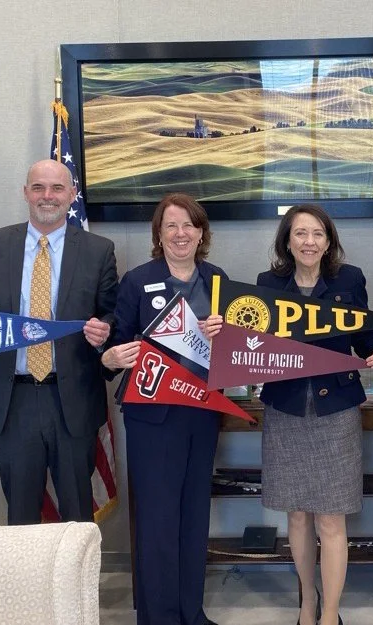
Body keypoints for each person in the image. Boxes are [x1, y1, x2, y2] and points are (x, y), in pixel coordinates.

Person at [0, 159, 118, 524]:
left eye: (57, 188)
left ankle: (77, 583)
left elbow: (112, 314)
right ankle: (26, 583)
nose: (48, 196)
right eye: (39, 187)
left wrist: (104, 330)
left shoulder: (98, 250)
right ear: (25, 193)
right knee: (22, 516)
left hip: (72, 400)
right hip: (13, 402)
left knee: (77, 516)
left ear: (72, 195)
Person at [255, 204, 373, 625]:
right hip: (286, 409)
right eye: (300, 234)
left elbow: (364, 335)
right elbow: (255, 342)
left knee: (331, 517)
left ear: (329, 241)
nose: (309, 242)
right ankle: (307, 601)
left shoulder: (348, 280)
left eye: (317, 234)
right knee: (297, 512)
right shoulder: (267, 283)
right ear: (287, 241)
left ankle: (330, 613)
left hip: (336, 412)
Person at [101, 192, 225, 625]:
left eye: (189, 225)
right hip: (152, 417)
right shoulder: (138, 280)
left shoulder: (217, 280)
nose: (180, 233)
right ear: (159, 233)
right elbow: (117, 341)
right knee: (156, 520)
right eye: (171, 225)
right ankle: (159, 616)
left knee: (194, 515)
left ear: (201, 233)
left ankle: (192, 612)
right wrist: (111, 356)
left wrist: (223, 337)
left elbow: (232, 354)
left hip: (202, 414)